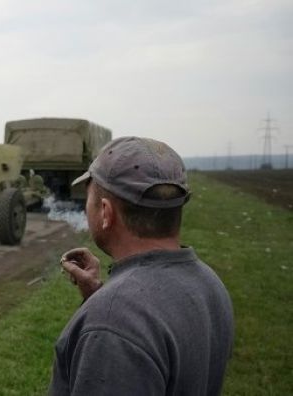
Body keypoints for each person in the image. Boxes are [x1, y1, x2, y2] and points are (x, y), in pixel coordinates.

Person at [48, 137, 234, 395]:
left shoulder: (111, 327)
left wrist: (110, 308)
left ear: (105, 212)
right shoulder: (209, 284)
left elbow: (127, 326)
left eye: (87, 199)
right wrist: (99, 294)